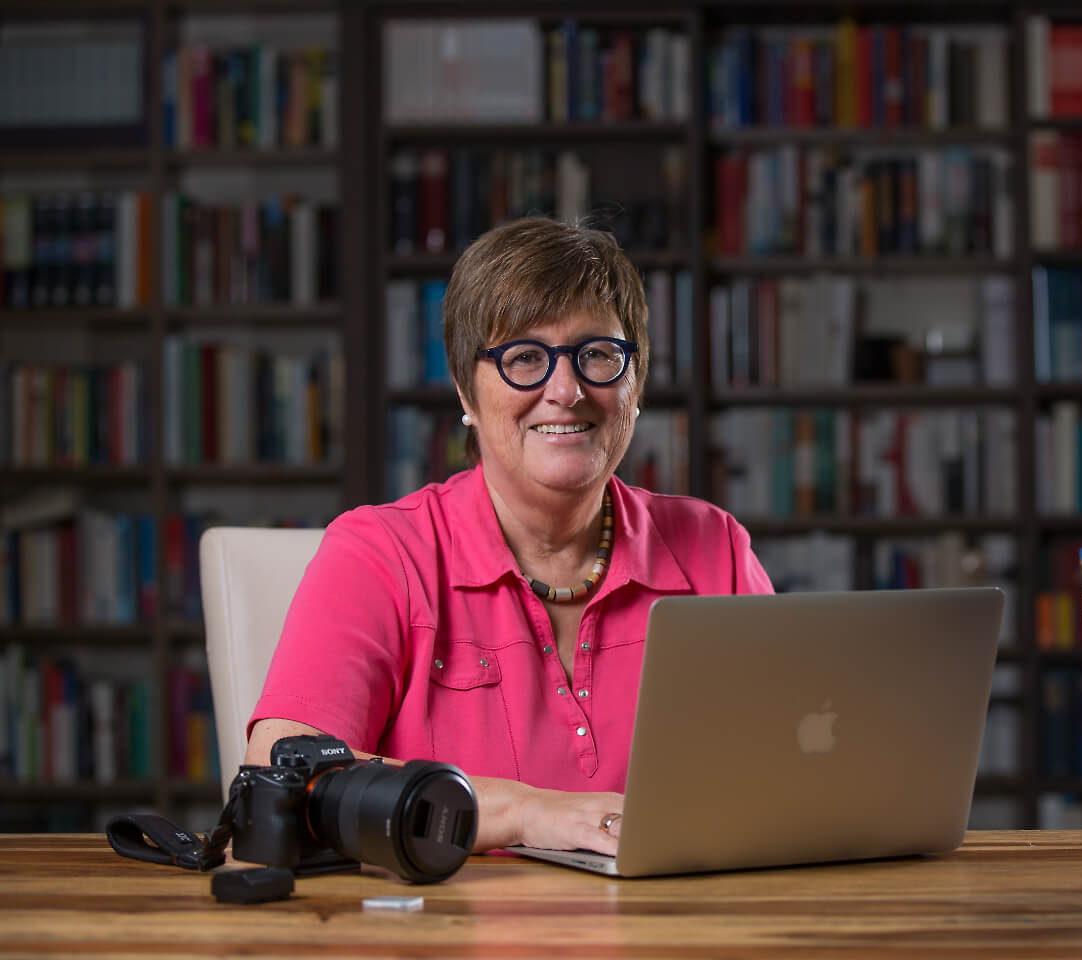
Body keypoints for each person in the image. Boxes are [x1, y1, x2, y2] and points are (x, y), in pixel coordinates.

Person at [245, 217, 773, 856]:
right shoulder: (378, 553)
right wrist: (526, 813)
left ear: (636, 385)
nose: (566, 391)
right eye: (525, 358)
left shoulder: (716, 549)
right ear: (466, 389)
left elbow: (790, 771)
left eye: (598, 355)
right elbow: (282, 780)